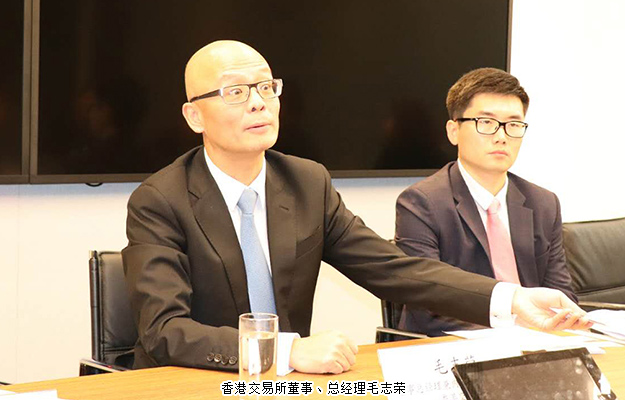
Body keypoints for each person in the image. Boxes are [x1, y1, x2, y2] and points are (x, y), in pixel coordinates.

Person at [122, 41, 588, 376]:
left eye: (266, 87)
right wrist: (285, 352)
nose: (259, 103)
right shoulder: (160, 200)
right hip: (197, 382)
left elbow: (396, 269)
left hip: (289, 387)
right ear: (194, 116)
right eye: (236, 92)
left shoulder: (306, 182)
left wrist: (512, 300)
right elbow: (164, 330)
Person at [395, 67, 576, 337]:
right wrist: (514, 327)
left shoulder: (543, 203)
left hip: (537, 344)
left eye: (513, 125)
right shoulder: (421, 203)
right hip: (455, 347)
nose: (501, 136)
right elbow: (428, 306)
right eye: (487, 122)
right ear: (453, 131)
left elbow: (561, 295)